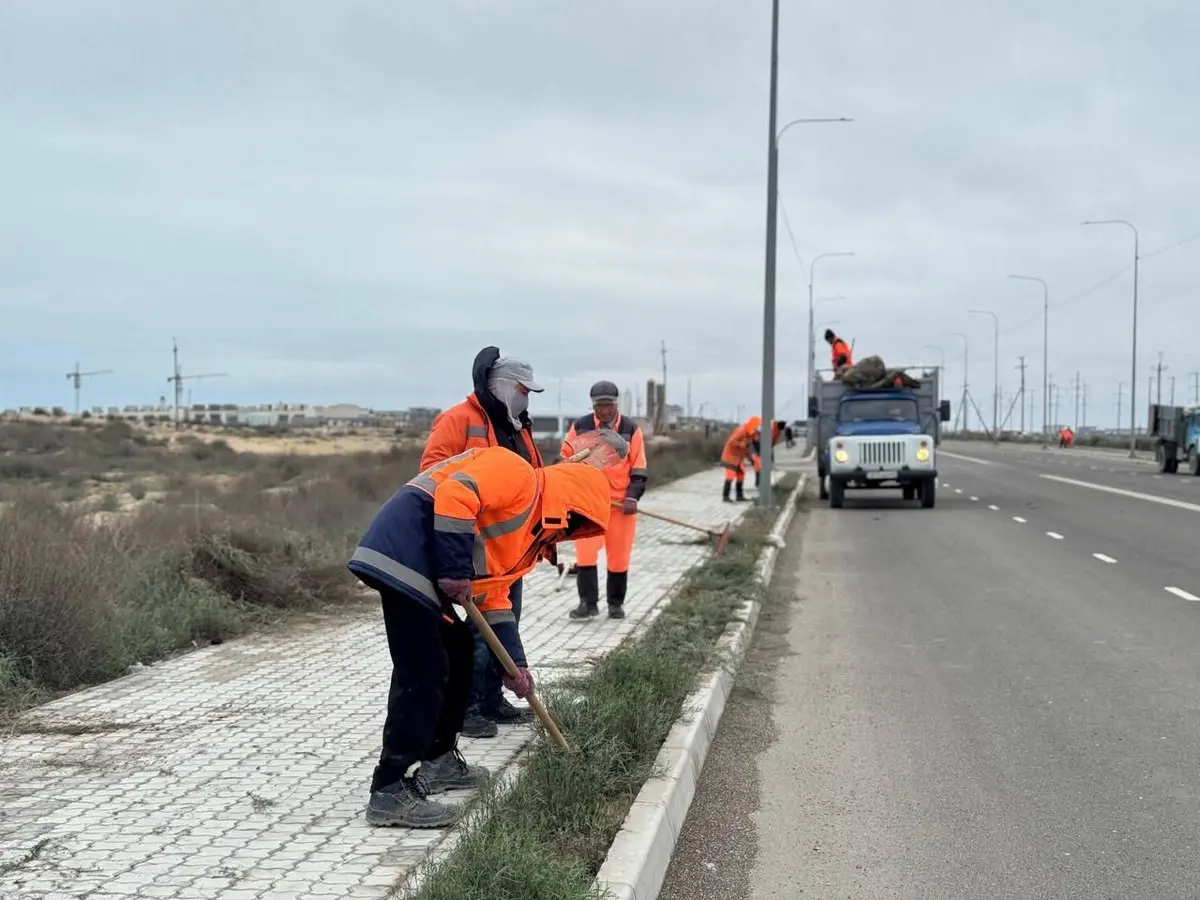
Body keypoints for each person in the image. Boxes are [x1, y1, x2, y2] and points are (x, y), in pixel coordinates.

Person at [348, 441, 618, 828]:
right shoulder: (516, 473)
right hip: (405, 547)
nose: (569, 531)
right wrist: (456, 569)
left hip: (424, 562)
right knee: (424, 671)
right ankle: (389, 789)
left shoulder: (528, 534)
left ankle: (438, 761)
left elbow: (495, 598)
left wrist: (515, 667)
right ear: (569, 501)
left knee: (457, 653)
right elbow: (458, 491)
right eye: (574, 521)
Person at [421, 347, 544, 740]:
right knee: (478, 629)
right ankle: (469, 707)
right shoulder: (459, 419)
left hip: (510, 547)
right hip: (471, 546)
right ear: (506, 387)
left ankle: (492, 698)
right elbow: (432, 473)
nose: (527, 398)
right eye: (525, 390)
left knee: (506, 620)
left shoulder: (517, 425)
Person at [561, 381, 648, 621]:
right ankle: (588, 604)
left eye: (609, 405)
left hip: (621, 506)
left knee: (619, 556)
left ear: (616, 404)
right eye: (600, 406)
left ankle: (615, 605)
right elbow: (567, 460)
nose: (605, 410)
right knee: (586, 554)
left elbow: (639, 467)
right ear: (593, 405)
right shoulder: (581, 427)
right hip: (588, 505)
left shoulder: (631, 429)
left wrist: (632, 496)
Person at [721, 415, 761, 502]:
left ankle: (739, 496)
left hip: (738, 458)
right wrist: (741, 444)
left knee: (741, 474)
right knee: (730, 476)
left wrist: (751, 459)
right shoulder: (742, 430)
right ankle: (725, 496)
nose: (758, 438)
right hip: (730, 457)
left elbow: (746, 449)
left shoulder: (750, 435)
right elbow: (731, 442)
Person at [750, 420, 786, 487]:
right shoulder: (764, 433)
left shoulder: (774, 431)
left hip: (762, 450)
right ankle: (759, 484)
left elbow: (771, 443)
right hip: (759, 452)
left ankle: (760, 484)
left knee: (760, 469)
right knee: (759, 469)